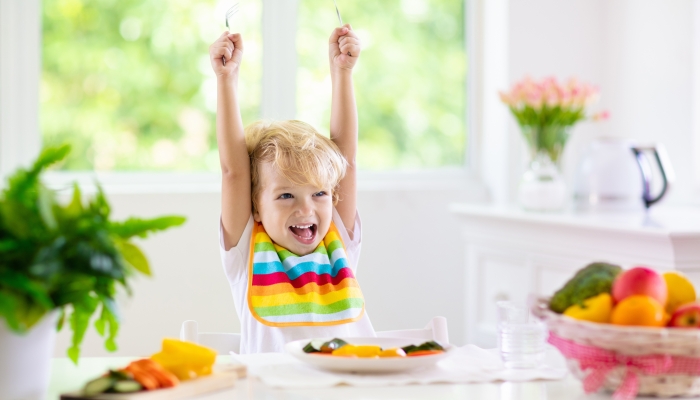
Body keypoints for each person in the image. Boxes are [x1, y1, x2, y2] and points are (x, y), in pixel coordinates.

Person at [209, 24, 375, 353]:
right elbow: (234, 172)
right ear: (255, 207)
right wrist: (226, 80)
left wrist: (342, 72)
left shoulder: (337, 241)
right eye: (286, 195)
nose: (306, 209)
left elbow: (347, 161)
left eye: (319, 193)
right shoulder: (246, 255)